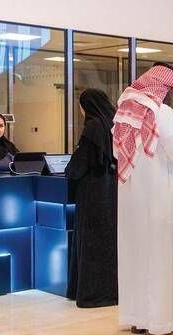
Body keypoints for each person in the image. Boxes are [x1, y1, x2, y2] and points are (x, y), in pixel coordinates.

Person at [115, 63, 173, 335]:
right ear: (164, 87)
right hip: (160, 199)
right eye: (172, 89)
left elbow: (150, 147)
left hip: (134, 200)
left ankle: (141, 318)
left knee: (139, 256)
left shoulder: (126, 109)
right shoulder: (162, 111)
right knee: (164, 258)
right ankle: (164, 326)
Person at [65, 89, 118, 308]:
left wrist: (68, 171)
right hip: (111, 189)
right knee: (108, 241)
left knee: (91, 242)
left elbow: (81, 162)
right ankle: (111, 291)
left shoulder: (93, 125)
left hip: (92, 192)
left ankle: (93, 294)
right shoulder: (113, 124)